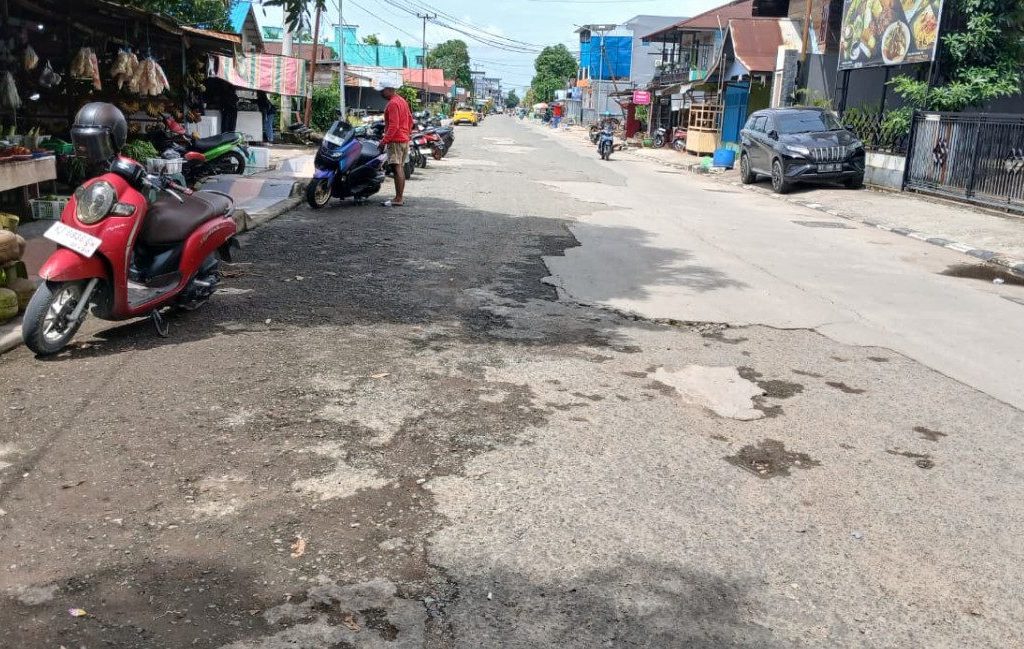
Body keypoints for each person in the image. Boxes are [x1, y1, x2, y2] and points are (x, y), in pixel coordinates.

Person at [379, 83, 413, 207]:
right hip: (403, 139)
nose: (381, 93)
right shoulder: (402, 101)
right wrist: (407, 134)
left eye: (382, 90)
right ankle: (399, 197)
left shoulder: (393, 103)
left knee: (396, 167)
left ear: (389, 90)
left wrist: (384, 141)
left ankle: (398, 198)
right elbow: (410, 119)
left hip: (396, 140)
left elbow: (394, 126)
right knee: (400, 168)